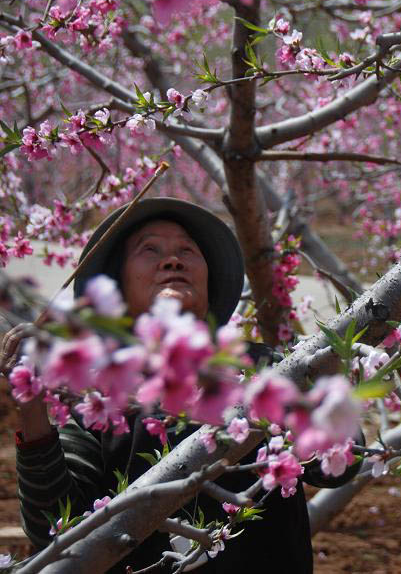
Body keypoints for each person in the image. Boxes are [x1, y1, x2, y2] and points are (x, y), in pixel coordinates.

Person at [1, 197, 358, 573]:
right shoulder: (95, 400)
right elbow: (55, 529)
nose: (172, 260)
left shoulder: (265, 367)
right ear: (116, 289)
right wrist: (33, 410)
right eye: (149, 249)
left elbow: (340, 464)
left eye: (187, 250)